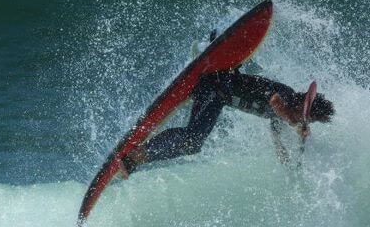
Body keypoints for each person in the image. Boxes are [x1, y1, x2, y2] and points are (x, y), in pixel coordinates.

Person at [119, 70, 335, 174]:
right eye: (307, 117)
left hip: (217, 98)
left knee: (194, 145)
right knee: (193, 138)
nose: (303, 121)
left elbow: (276, 134)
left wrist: (286, 160)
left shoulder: (281, 116)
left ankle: (140, 156)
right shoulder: (285, 96)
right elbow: (275, 102)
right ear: (302, 106)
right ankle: (138, 154)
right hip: (214, 86)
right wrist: (296, 124)